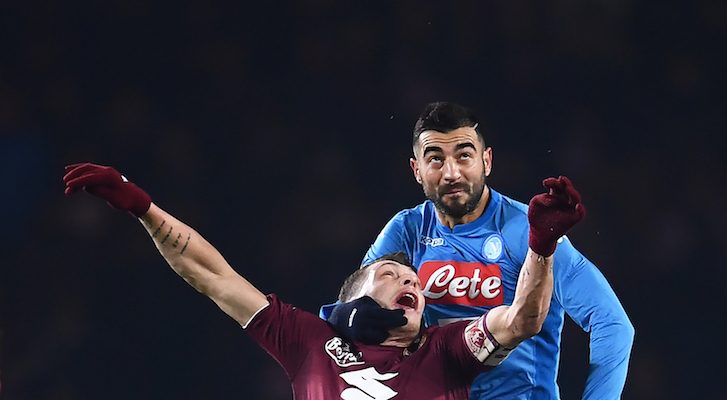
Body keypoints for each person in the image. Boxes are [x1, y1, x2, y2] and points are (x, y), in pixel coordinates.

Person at [62, 161, 586, 400]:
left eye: (416, 282)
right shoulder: (311, 341)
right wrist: (144, 208)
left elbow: (523, 319)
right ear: (354, 296)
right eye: (391, 273)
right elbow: (213, 276)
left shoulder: (446, 351)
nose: (413, 283)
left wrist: (540, 245)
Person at [325, 102, 634, 399]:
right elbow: (347, 313)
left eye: (463, 156)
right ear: (416, 169)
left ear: (486, 161)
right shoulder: (407, 231)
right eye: (435, 159)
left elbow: (612, 323)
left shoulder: (528, 231)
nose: (451, 173)